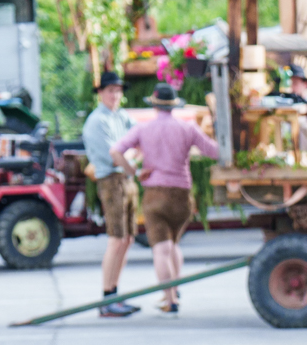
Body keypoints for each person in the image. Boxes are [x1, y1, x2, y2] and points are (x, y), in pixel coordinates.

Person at [110, 83, 218, 316]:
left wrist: (134, 172)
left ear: (155, 105)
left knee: (161, 249)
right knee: (174, 245)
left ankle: (170, 299)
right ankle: (175, 291)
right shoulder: (187, 128)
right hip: (182, 195)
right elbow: (214, 152)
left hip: (155, 195)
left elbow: (115, 151)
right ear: (173, 105)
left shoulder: (143, 129)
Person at [82, 71, 139, 317]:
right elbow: (115, 156)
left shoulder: (121, 116)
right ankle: (107, 297)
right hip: (111, 181)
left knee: (127, 239)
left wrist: (129, 159)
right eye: (110, 91)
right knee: (116, 239)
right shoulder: (97, 121)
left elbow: (137, 141)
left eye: (117, 90)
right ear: (100, 93)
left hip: (125, 179)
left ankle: (116, 293)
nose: (115, 95)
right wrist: (132, 162)